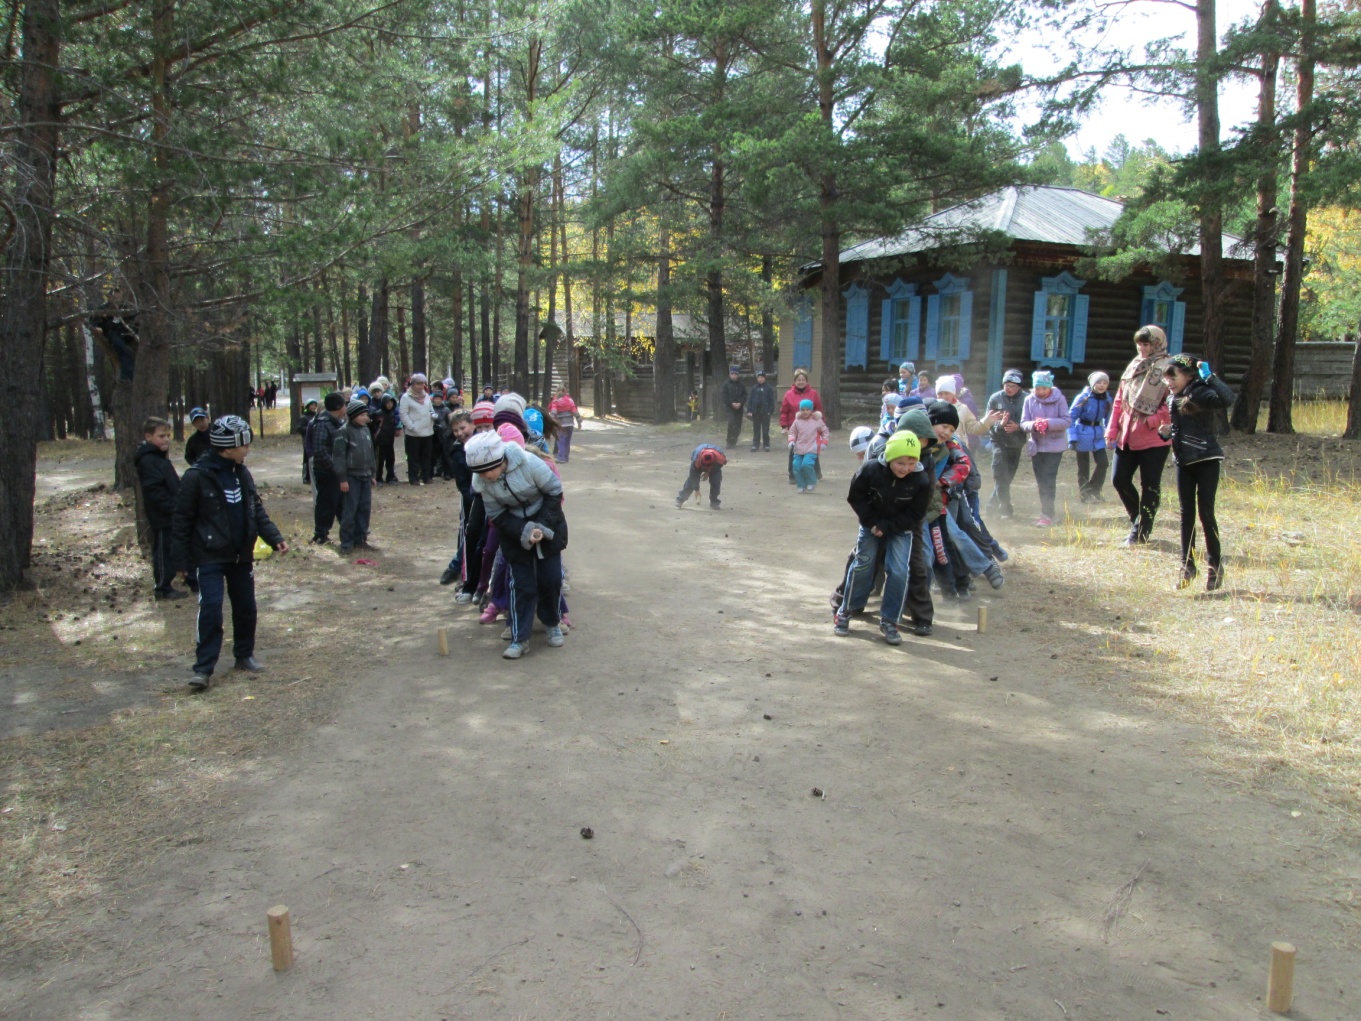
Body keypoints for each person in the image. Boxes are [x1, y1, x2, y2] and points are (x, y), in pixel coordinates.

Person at [170, 415, 287, 691]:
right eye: (243, 444)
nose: (247, 449)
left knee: (246, 607)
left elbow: (255, 509)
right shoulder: (196, 477)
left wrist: (274, 537)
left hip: (240, 554)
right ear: (228, 446)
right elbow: (181, 520)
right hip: (209, 555)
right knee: (210, 609)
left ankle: (244, 655)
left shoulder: (242, 473)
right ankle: (203, 669)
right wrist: (181, 561)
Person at [465, 431, 568, 660]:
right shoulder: (482, 482)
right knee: (522, 584)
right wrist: (524, 531)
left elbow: (554, 491)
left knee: (550, 579)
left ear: (500, 461)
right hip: (513, 531)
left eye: (486, 470)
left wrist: (540, 525)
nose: (484, 476)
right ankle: (520, 638)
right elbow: (497, 515)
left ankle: (552, 623)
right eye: (479, 473)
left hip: (547, 522)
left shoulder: (529, 463)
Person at [834, 430, 933, 645]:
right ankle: (846, 609)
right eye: (900, 462)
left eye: (911, 462)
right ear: (889, 457)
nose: (905, 468)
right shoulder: (870, 469)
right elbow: (855, 497)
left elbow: (916, 514)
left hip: (901, 528)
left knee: (898, 571)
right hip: (871, 524)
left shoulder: (921, 480)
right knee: (863, 564)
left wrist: (887, 526)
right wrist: (872, 523)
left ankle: (889, 620)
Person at [1162, 355, 1236, 590]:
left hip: (1206, 460)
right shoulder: (1174, 396)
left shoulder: (1202, 391)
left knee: (1206, 514)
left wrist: (1210, 376)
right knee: (1186, 516)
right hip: (1184, 461)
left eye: (1173, 377)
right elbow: (1182, 425)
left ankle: (1215, 568)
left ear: (1189, 375)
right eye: (1166, 379)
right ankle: (1187, 567)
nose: (1169, 383)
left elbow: (1228, 399)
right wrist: (1168, 432)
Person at [1108, 324, 1174, 545]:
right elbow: (1120, 398)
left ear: (1156, 344)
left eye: (1146, 344)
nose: (1142, 349)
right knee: (1119, 479)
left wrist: (1155, 419)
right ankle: (1138, 519)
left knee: (1150, 486)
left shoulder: (1167, 367)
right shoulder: (1134, 365)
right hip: (1126, 433)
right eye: (1139, 344)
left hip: (1153, 438)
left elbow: (1175, 402)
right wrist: (1112, 428)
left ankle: (1140, 532)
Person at [136, 417, 195, 600]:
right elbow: (155, 492)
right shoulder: (148, 460)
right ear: (148, 436)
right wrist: (172, 507)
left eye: (168, 435)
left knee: (180, 547)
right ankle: (162, 587)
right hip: (161, 516)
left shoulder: (160, 458)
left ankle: (191, 578)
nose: (166, 439)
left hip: (174, 513)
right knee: (163, 551)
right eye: (161, 436)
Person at [1020, 371, 1071, 527]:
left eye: (1043, 388)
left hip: (1054, 447)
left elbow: (1066, 420)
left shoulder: (1059, 399)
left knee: (1048, 478)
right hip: (1036, 447)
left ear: (1049, 388)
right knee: (1041, 480)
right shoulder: (1029, 400)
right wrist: (1034, 425)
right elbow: (1023, 423)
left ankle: (1047, 514)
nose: (1040, 392)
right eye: (1037, 388)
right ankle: (1048, 512)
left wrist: (1047, 423)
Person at [335, 399, 377, 553]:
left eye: (366, 414)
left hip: (365, 476)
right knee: (350, 510)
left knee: (364, 509)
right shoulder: (343, 431)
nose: (365, 417)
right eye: (362, 415)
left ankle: (361, 539)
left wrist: (372, 473)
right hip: (351, 478)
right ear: (353, 416)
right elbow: (339, 457)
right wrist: (343, 479)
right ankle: (346, 543)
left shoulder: (366, 430)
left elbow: (371, 453)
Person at [985, 370, 1027, 518]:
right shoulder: (995, 398)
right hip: (998, 441)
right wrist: (1000, 425)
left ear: (1019, 387)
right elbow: (988, 422)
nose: (1009, 389)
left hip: (1016, 443)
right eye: (1007, 385)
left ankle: (991, 506)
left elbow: (1030, 421)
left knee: (1007, 478)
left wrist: (1019, 427)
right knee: (999, 473)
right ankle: (1006, 510)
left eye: (1013, 386)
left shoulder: (1027, 399)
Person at [1068, 371, 1115, 503]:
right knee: (1083, 467)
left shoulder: (1107, 399)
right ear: (1093, 384)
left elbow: (1109, 420)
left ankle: (1095, 489)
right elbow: (1070, 418)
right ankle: (1084, 494)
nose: (1102, 385)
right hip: (1082, 433)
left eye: (1105, 383)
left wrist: (1111, 437)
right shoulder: (1083, 398)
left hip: (1098, 434)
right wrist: (1072, 437)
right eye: (1099, 382)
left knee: (1103, 463)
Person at [307, 393, 346, 544]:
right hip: (327, 472)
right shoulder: (323, 424)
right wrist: (336, 468)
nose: (345, 408)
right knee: (326, 503)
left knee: (341, 502)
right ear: (338, 407)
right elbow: (320, 451)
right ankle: (321, 534)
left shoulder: (337, 422)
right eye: (343, 405)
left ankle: (349, 530)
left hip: (337, 472)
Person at [779, 368, 822, 484]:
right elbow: (784, 411)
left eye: (803, 380)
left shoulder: (813, 394)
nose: (801, 382)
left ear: (806, 381)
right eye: (798, 380)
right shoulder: (788, 394)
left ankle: (816, 472)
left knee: (812, 450)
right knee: (794, 451)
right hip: (795, 428)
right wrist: (784, 426)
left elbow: (819, 409)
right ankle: (793, 475)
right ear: (795, 381)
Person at [399, 372, 436, 484]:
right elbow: (403, 414)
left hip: (427, 430)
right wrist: (411, 426)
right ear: (412, 384)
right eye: (418, 384)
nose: (420, 386)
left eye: (422, 384)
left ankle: (426, 476)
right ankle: (413, 477)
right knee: (413, 457)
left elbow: (430, 409)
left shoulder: (426, 396)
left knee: (426, 455)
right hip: (413, 433)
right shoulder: (406, 397)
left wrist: (433, 416)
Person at [788, 398, 829, 493]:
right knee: (796, 465)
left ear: (811, 410)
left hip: (812, 448)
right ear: (800, 410)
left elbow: (825, 431)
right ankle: (801, 485)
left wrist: (824, 442)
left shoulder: (817, 421)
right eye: (803, 410)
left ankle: (811, 482)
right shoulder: (797, 421)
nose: (805, 412)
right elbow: (792, 432)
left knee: (806, 464)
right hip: (799, 448)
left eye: (807, 409)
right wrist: (791, 440)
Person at [676, 444, 726, 510]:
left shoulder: (720, 458)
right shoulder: (696, 459)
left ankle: (714, 501)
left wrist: (708, 472)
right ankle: (680, 499)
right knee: (691, 482)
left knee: (716, 482)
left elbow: (720, 466)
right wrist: (697, 490)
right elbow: (693, 477)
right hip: (699, 465)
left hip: (714, 467)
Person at [548, 387, 583, 462]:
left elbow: (553, 412)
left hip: (561, 424)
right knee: (567, 441)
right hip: (570, 424)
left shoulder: (555, 401)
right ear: (565, 392)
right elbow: (575, 411)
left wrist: (549, 420)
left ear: (556, 392)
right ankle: (566, 457)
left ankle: (561, 457)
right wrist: (579, 421)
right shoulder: (570, 400)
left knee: (560, 441)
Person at [747, 369, 776, 451]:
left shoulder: (769, 388)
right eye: (758, 377)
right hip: (756, 411)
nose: (760, 379)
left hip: (765, 412)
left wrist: (770, 411)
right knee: (756, 429)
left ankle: (766, 444)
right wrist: (749, 410)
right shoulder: (754, 388)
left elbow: (771, 400)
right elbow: (750, 400)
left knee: (765, 429)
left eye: (762, 377)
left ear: (765, 378)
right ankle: (755, 444)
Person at [720, 366, 747, 448]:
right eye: (732, 374)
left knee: (738, 425)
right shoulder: (726, 384)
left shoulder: (741, 385)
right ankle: (729, 440)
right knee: (731, 422)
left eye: (735, 374)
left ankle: (734, 440)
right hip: (729, 407)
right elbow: (724, 396)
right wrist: (731, 403)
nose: (734, 376)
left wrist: (740, 403)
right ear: (730, 374)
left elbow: (745, 395)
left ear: (738, 375)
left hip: (739, 407)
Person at [296, 399, 319, 483]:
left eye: (315, 405)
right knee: (306, 458)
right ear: (308, 406)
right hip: (307, 440)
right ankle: (306, 476)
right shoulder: (304, 417)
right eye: (311, 405)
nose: (313, 407)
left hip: (316, 440)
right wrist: (310, 429)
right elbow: (299, 428)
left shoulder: (317, 416)